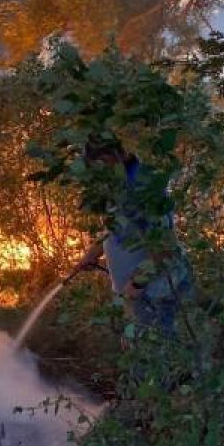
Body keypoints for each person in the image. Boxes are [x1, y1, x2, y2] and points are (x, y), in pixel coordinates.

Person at [74, 143, 193, 338]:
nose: (96, 173)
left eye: (98, 165)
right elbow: (116, 229)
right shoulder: (120, 184)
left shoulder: (141, 185)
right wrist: (92, 254)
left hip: (156, 290)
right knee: (140, 350)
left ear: (111, 157)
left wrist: (135, 287)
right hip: (139, 293)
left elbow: (163, 247)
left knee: (158, 352)